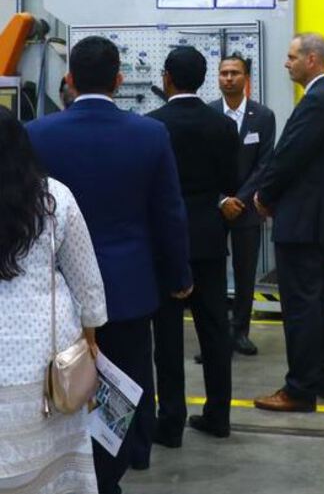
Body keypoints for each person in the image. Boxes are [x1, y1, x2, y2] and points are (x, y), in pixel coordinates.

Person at [27, 36, 192, 494]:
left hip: (57, 292)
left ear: (69, 79)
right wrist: (179, 277)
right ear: (119, 80)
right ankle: (119, 464)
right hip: (129, 286)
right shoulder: (150, 135)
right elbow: (169, 213)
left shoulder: (37, 134)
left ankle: (69, 467)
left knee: (62, 381)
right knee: (125, 383)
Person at [0, 107, 107, 494]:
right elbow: (86, 278)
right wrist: (91, 335)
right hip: (48, 353)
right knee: (51, 453)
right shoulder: (54, 197)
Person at [253, 33, 324, 413]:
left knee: (301, 307)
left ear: (312, 59)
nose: (286, 63)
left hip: (301, 221)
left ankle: (299, 389)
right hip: (319, 220)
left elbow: (287, 158)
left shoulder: (316, 102)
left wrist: (264, 196)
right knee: (321, 302)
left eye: (292, 56)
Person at [147, 46, 239, 443]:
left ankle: (170, 422)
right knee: (215, 331)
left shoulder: (152, 126)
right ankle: (218, 416)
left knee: (168, 336)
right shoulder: (223, 125)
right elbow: (231, 182)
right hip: (209, 238)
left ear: (167, 78)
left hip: (166, 242)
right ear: (204, 79)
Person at [209, 54, 275, 355]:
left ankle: (240, 332)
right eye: (224, 73)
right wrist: (222, 199)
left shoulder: (263, 116)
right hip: (214, 207)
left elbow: (265, 164)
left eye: (235, 73)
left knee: (245, 272)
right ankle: (216, 336)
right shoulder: (208, 114)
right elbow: (202, 164)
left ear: (246, 78)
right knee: (212, 274)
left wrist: (240, 199)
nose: (228, 78)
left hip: (247, 209)